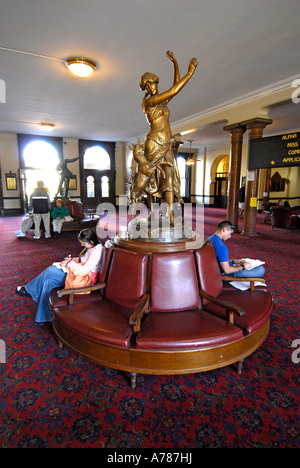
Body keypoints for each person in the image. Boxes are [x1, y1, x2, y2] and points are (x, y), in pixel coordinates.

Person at [138, 51, 198, 225]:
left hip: (166, 145)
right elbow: (174, 89)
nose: (152, 87)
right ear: (146, 89)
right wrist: (190, 73)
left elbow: (174, 88)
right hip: (153, 143)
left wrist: (175, 64)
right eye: (148, 85)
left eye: (154, 83)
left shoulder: (161, 102)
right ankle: (151, 213)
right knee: (150, 179)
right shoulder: (150, 102)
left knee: (169, 178)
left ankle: (171, 215)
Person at [15, 229, 103, 324]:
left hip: (85, 279)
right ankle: (44, 317)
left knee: (50, 270)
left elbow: (85, 269)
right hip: (81, 274)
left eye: (83, 244)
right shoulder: (93, 247)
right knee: (48, 282)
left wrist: (69, 263)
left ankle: (29, 290)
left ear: (91, 241)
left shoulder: (97, 251)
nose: (82, 245)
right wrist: (72, 259)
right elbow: (84, 260)